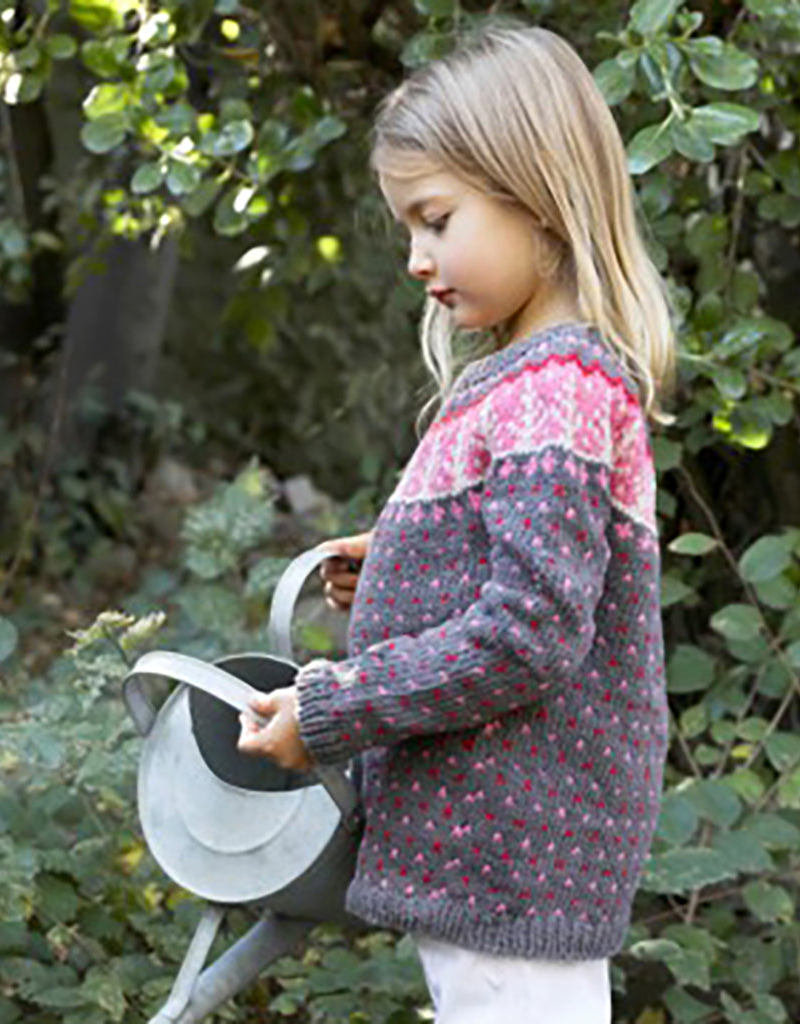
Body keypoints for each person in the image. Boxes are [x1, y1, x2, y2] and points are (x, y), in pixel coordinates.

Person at [238, 21, 675, 1023]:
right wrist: (396, 562)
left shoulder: (553, 389)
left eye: (435, 219)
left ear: (535, 191)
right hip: (501, 849)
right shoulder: (528, 383)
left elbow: (528, 633)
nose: (414, 258)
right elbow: (526, 575)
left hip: (516, 849)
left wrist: (334, 709)